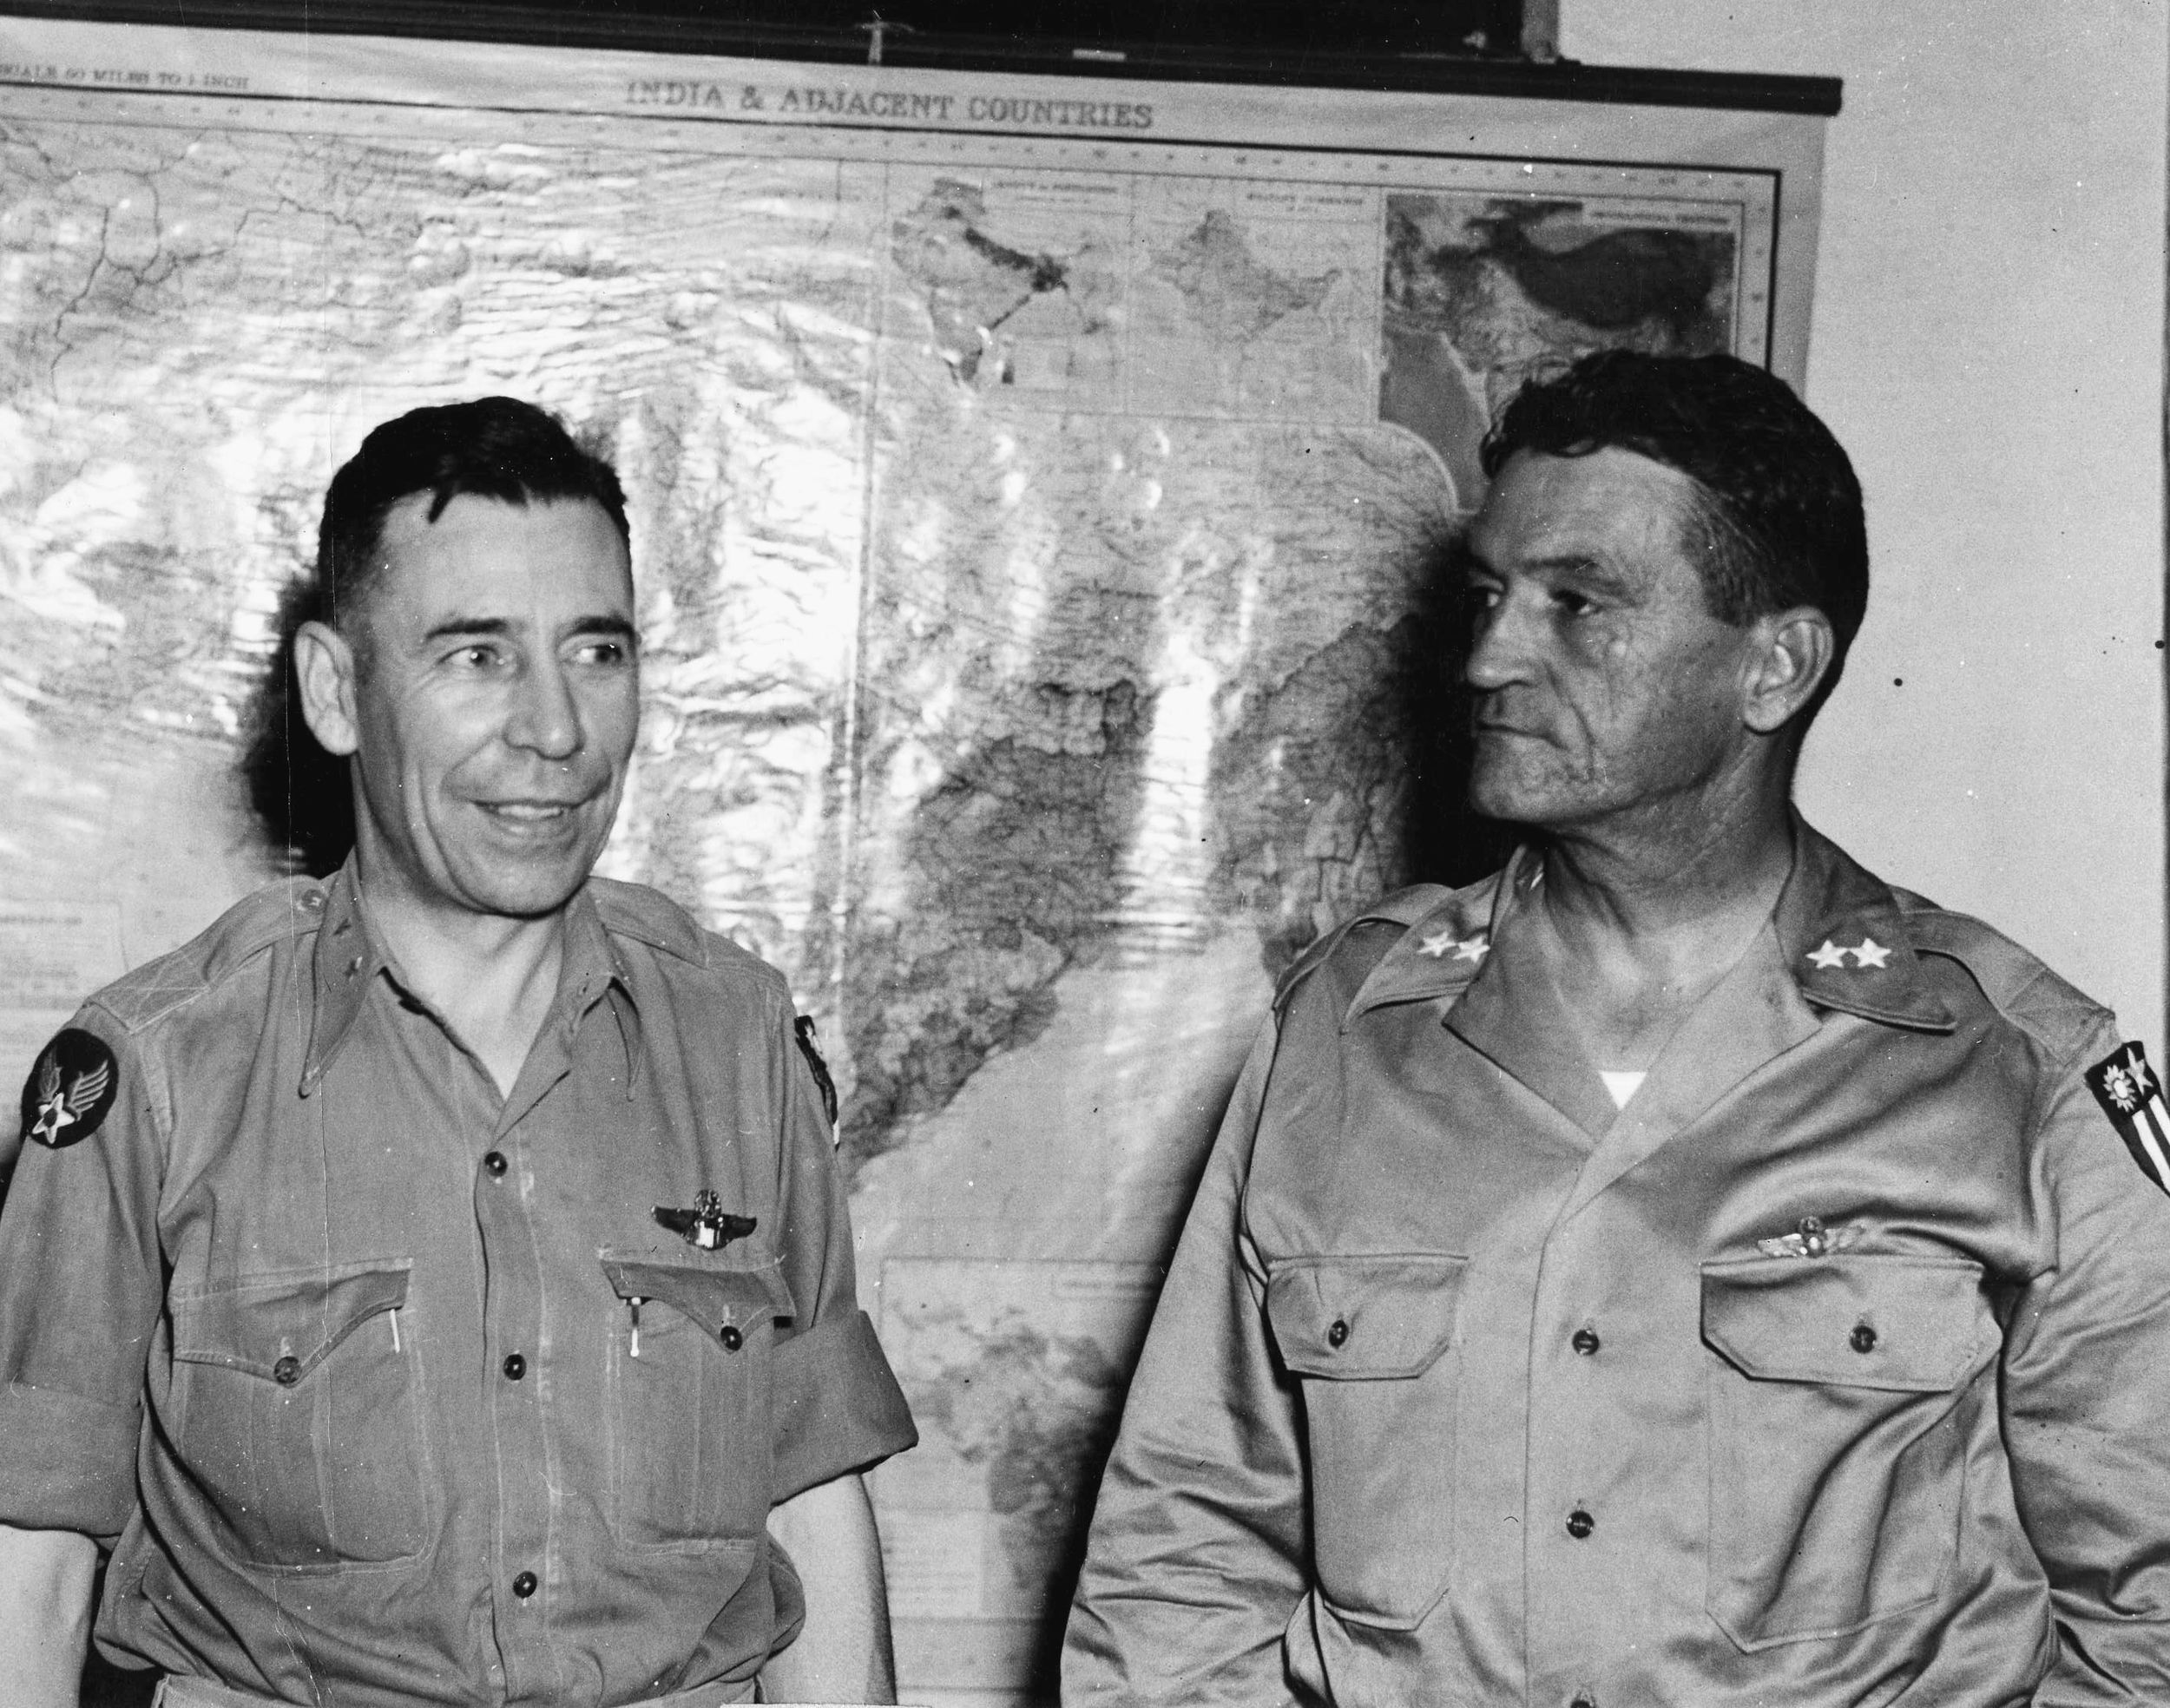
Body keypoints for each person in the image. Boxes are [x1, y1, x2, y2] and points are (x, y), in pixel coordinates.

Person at [1064, 351, 2170, 1705]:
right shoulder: (1346, 1032)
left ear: (1774, 666)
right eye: (1488, 596)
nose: (1489, 657)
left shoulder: (2015, 1071)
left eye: (1576, 605)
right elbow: (1183, 1560)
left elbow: (2150, 1616)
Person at [0, 397, 916, 1707]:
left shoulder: (739, 1042)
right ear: (335, 691)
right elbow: (27, 1560)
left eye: (596, 651)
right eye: (476, 655)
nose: (555, 730)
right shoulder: (155, 1071)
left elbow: (814, 1506)